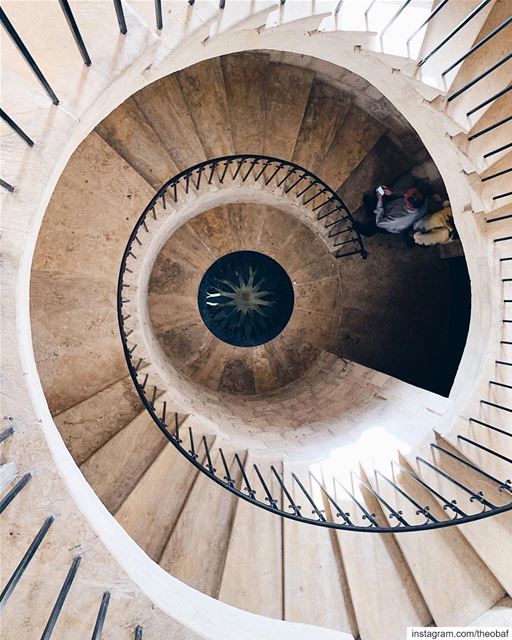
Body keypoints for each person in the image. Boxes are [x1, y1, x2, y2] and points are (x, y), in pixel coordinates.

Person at [353, 184, 429, 237]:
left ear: (408, 205)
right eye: (406, 192)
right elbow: (404, 195)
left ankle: (364, 231)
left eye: (406, 195)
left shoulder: (398, 220)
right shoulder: (423, 202)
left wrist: (380, 200)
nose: (404, 194)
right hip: (391, 207)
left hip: (387, 225)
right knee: (375, 203)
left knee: (372, 227)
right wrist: (392, 192)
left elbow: (379, 223)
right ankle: (370, 212)